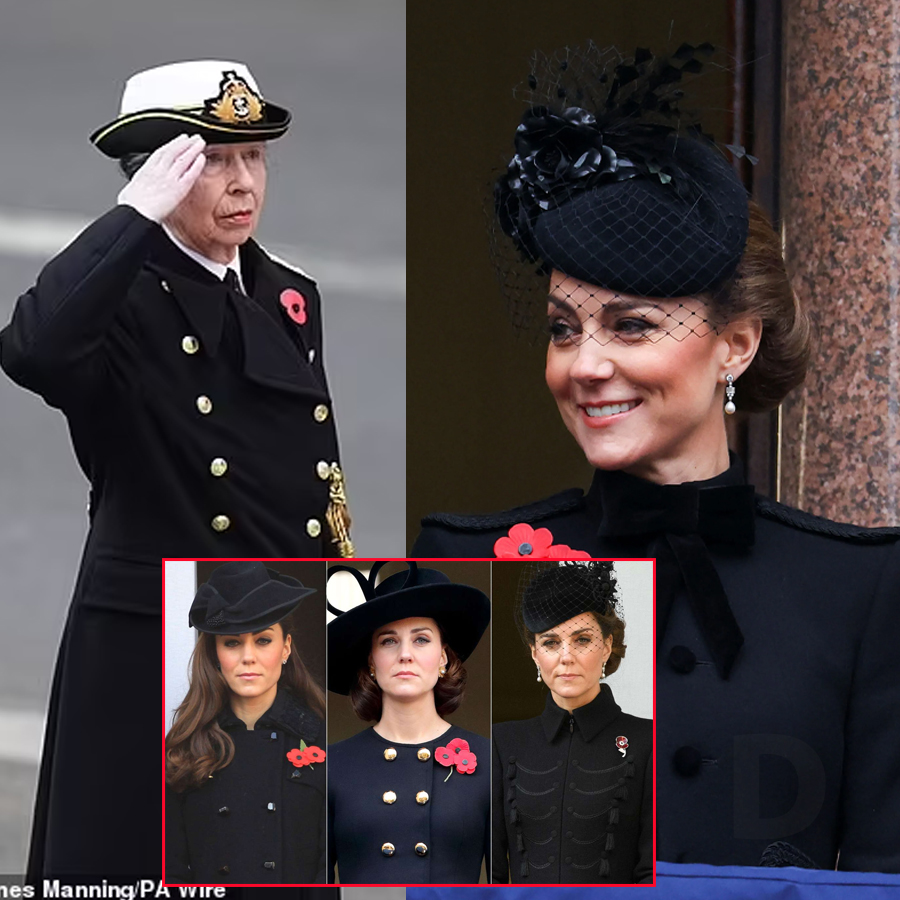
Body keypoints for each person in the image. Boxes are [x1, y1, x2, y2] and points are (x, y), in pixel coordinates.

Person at [413, 44, 900, 872]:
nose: (585, 364)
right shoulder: (462, 569)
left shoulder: (859, 591)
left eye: (632, 326)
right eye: (565, 328)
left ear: (736, 346)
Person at [0, 60, 353, 881]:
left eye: (254, 157)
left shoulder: (287, 293)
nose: (243, 182)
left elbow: (315, 484)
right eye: (212, 160)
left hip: (275, 631)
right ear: (158, 173)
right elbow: (32, 346)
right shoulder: (113, 301)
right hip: (152, 643)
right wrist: (130, 218)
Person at [326, 561, 491, 884]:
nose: (405, 654)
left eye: (421, 639)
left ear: (443, 657)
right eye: (389, 641)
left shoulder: (488, 759)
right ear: (371, 661)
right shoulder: (333, 765)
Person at [165, 561, 326, 885]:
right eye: (232, 642)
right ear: (214, 653)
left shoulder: (322, 737)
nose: (247, 657)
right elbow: (171, 870)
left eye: (263, 640)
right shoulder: (183, 748)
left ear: (286, 648)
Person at [492, 561, 652, 884]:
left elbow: (650, 872)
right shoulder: (501, 742)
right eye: (551, 643)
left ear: (607, 645)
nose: (566, 656)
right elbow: (493, 873)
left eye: (581, 640)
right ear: (535, 653)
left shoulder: (647, 739)